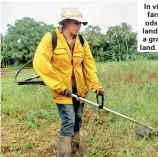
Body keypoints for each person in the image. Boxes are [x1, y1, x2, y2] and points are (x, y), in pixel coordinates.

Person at [33, 7, 104, 157]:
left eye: (81, 23)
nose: (79, 26)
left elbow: (89, 65)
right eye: (75, 23)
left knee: (78, 119)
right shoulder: (51, 38)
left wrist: (96, 85)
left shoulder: (81, 41)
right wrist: (58, 86)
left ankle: (75, 148)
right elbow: (40, 63)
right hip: (62, 90)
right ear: (65, 22)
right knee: (69, 120)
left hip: (79, 89)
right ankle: (64, 154)